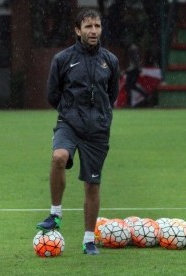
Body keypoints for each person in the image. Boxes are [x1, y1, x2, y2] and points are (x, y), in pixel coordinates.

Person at [36, 8, 120, 255]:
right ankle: (55, 214)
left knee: (92, 185)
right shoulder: (62, 59)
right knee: (59, 157)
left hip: (98, 131)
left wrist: (99, 116)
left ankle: (88, 240)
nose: (93, 31)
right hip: (69, 124)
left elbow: (111, 94)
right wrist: (71, 112)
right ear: (77, 30)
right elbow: (52, 94)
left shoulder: (111, 61)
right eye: (88, 27)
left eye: (97, 26)